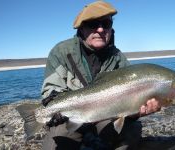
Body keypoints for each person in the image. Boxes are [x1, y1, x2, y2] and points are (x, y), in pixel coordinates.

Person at [41, 1, 161, 150]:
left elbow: (129, 101)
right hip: (71, 118)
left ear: (111, 27)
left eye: (106, 23)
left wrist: (137, 111)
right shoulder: (61, 52)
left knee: (131, 132)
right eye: (93, 24)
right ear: (82, 28)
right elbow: (50, 90)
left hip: (106, 118)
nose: (100, 29)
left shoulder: (118, 58)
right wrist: (55, 106)